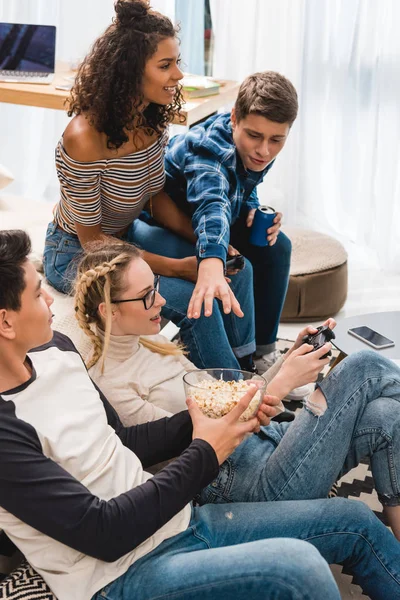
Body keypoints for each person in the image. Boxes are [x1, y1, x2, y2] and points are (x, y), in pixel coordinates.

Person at [2, 231, 400, 600]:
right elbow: (104, 532)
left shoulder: (58, 351)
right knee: (302, 568)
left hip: (176, 522)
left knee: (354, 518)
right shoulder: (6, 433)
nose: (52, 299)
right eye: (39, 294)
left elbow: (125, 441)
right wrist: (208, 445)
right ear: (5, 321)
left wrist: (218, 413)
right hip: (119, 575)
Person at [75, 240, 400, 544]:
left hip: (269, 443)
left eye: (156, 286)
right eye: (147, 295)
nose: (161, 300)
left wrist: (288, 359)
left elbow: (224, 397)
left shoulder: (150, 341)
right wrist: (282, 382)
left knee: (386, 415)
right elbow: (204, 445)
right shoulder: (113, 387)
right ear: (109, 310)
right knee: (363, 366)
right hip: (248, 485)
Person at [42, 0, 259, 375]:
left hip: (126, 237)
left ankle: (246, 369)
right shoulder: (83, 138)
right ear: (128, 73)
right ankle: (236, 401)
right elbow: (93, 241)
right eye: (165, 65)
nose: (177, 75)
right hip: (77, 253)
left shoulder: (153, 121)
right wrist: (178, 267)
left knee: (234, 268)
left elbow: (156, 200)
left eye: (177, 62)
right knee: (198, 300)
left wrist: (210, 248)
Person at [136, 70, 296, 375]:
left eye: (277, 139)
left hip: (207, 221)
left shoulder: (256, 147)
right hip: (162, 223)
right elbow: (212, 205)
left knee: (278, 247)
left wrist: (250, 208)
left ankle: (262, 353)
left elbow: (238, 188)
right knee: (235, 268)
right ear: (234, 118)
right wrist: (211, 261)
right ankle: (237, 366)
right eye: (255, 136)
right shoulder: (209, 151)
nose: (264, 150)